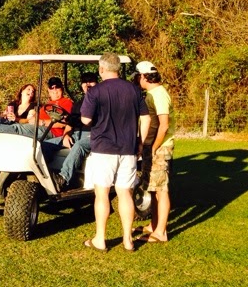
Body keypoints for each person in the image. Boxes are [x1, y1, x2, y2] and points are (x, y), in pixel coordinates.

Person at [80, 52, 150, 252]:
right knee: (125, 193)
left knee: (102, 193)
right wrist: (140, 142)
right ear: (118, 68)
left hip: (103, 149)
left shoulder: (95, 91)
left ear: (101, 69)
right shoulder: (134, 90)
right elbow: (145, 118)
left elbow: (85, 120)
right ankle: (128, 240)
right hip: (128, 148)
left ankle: (100, 239)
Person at [135, 61, 174, 243]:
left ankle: (161, 232)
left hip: (160, 147)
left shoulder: (159, 94)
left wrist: (155, 147)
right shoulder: (152, 93)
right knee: (152, 187)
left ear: (144, 76)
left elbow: (164, 125)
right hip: (152, 146)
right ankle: (154, 225)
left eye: (138, 76)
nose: (137, 80)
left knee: (161, 190)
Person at [0, 77, 72, 139]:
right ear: (48, 90)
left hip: (50, 131)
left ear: (62, 89)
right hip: (34, 126)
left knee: (17, 128)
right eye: (52, 87)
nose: (54, 90)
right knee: (5, 121)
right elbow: (33, 119)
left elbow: (64, 123)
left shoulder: (66, 102)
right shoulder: (47, 104)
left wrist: (41, 122)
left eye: (57, 87)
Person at [50, 72, 98, 191]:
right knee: (45, 144)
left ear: (97, 83)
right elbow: (70, 124)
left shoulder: (102, 102)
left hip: (94, 135)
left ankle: (62, 178)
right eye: (84, 82)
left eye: (91, 81)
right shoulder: (78, 104)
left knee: (79, 145)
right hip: (75, 134)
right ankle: (42, 174)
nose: (87, 84)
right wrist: (66, 135)